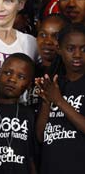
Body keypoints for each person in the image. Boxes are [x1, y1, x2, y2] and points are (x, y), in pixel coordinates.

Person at [35, 23, 85, 174]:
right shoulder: (54, 85)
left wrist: (59, 101)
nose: (77, 54)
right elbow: (40, 136)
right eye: (70, 49)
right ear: (59, 49)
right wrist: (47, 101)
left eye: (83, 49)